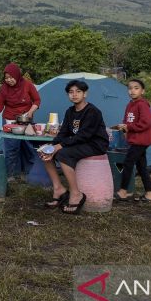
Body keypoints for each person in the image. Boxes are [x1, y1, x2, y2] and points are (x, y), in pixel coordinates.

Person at [39, 79, 109, 214]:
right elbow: (63, 133)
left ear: (85, 94)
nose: (74, 94)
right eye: (71, 92)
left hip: (95, 144)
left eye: (78, 91)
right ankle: (58, 188)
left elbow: (84, 135)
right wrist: (51, 145)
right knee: (45, 152)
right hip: (79, 143)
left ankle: (76, 193)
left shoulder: (92, 111)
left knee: (63, 154)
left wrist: (59, 147)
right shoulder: (70, 111)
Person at [0, 63, 41, 178]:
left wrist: (31, 111)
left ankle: (29, 173)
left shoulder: (27, 85)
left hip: (26, 119)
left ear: (17, 75)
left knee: (28, 146)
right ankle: (10, 175)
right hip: (10, 120)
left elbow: (37, 100)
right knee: (12, 148)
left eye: (11, 77)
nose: (9, 80)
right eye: (6, 78)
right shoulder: (3, 89)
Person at [114, 79, 151, 203]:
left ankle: (123, 191)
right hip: (135, 139)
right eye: (130, 88)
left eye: (136, 88)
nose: (132, 90)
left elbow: (146, 123)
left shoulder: (142, 104)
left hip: (142, 140)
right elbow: (128, 121)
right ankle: (150, 194)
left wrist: (129, 127)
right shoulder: (130, 104)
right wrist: (124, 127)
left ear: (142, 91)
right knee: (141, 166)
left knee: (128, 163)